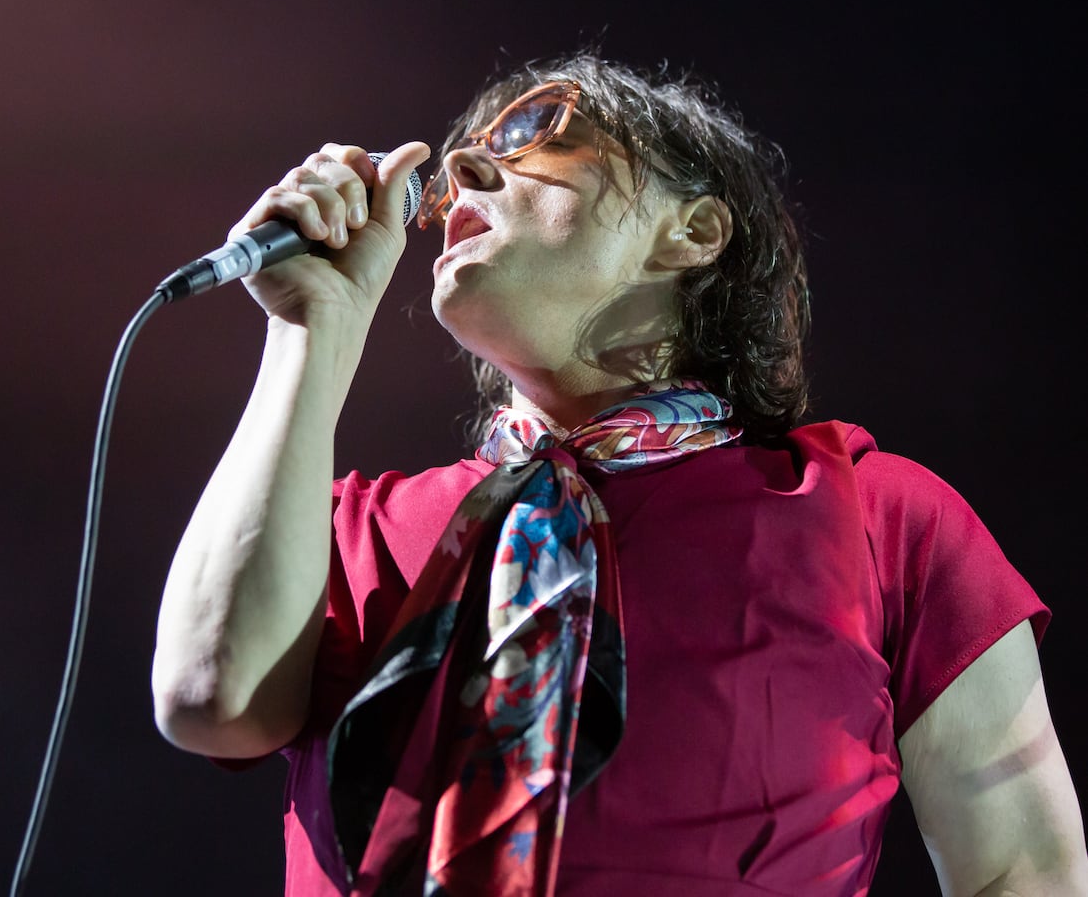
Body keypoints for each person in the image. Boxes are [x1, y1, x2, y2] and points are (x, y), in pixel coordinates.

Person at [149, 49, 1088, 896]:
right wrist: (311, 326)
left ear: (693, 231)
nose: (465, 166)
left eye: (541, 132)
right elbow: (208, 700)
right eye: (469, 150)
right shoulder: (349, 526)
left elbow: (1023, 870)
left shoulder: (879, 517)